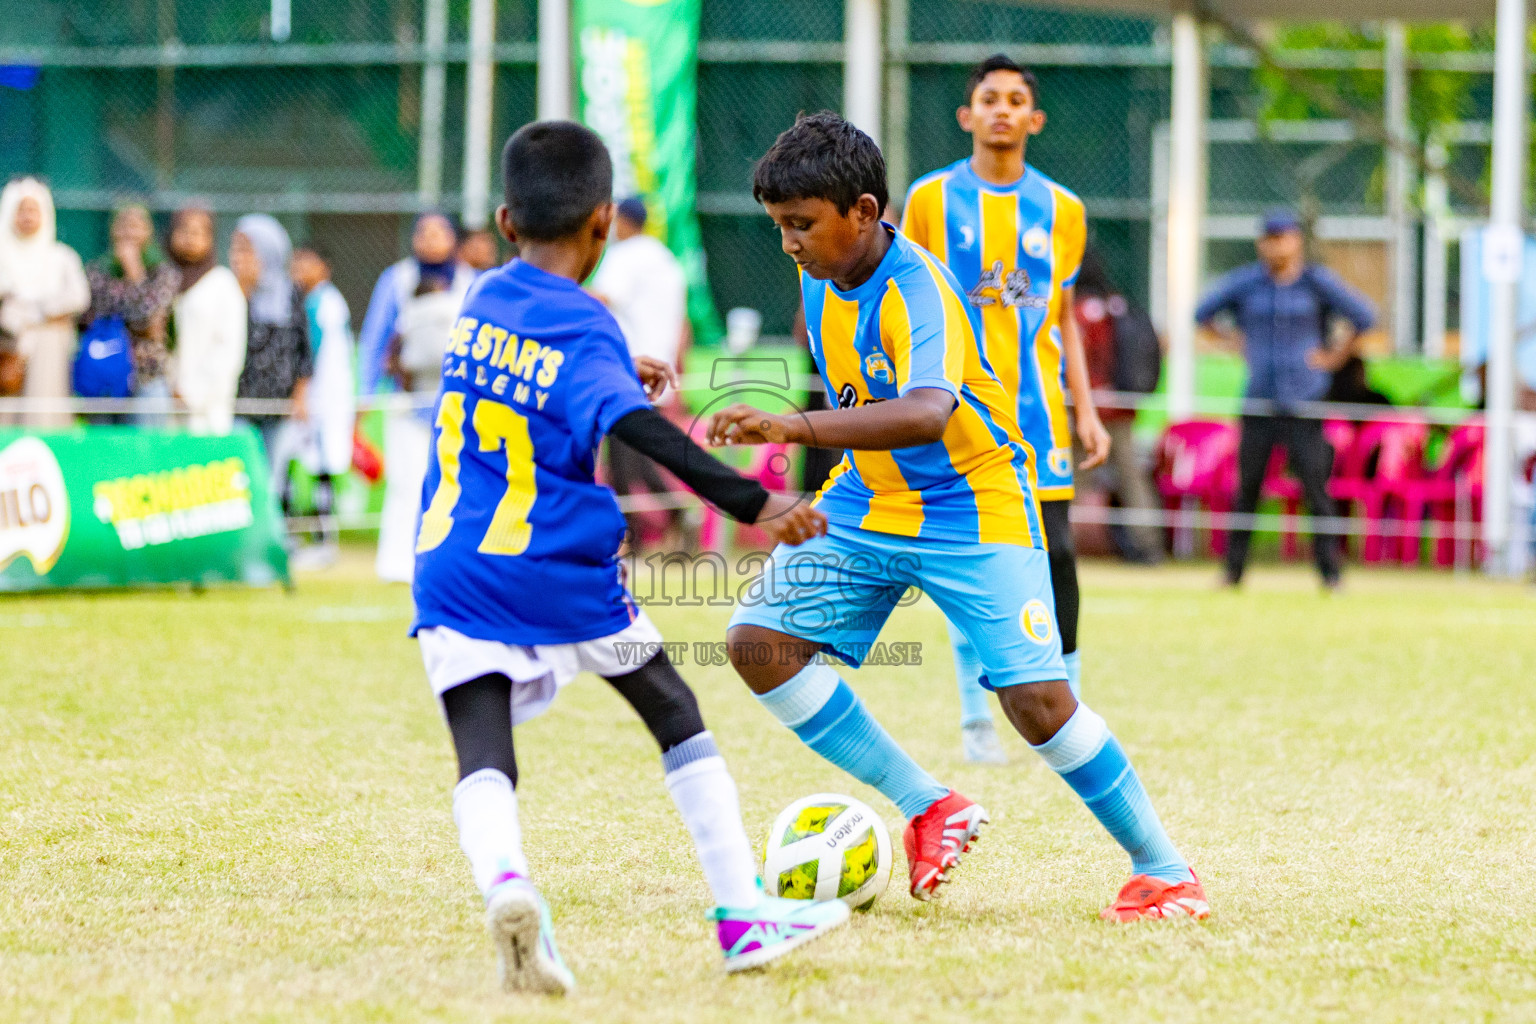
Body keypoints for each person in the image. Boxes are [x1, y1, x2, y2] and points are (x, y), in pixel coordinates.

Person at [707, 111, 1207, 921]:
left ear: (864, 213)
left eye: (801, 226)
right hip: (868, 499)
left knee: (1037, 704)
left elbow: (926, 412)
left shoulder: (920, 287)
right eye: (780, 227)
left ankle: (1166, 869)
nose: (789, 244)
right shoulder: (817, 272)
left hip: (972, 503)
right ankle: (929, 805)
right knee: (759, 642)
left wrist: (790, 425)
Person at [409, 120, 847, 994]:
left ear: (503, 220)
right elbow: (633, 425)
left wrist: (615, 361)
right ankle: (741, 914)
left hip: (451, 565)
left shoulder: (484, 298)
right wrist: (758, 500)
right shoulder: (586, 324)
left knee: (481, 746)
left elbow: (541, 375)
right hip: (558, 569)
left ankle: (508, 885)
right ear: (605, 222)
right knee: (673, 709)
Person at [900, 54, 1111, 762]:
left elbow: (1065, 317)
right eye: (989, 98)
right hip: (960, 413)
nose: (1001, 109)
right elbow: (908, 299)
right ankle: (975, 720)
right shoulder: (928, 200)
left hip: (1039, 413)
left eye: (1016, 99)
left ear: (1034, 118)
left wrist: (1086, 410)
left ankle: (1067, 706)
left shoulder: (1064, 210)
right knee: (971, 558)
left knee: (1057, 556)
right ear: (967, 115)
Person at [1196, 208, 1376, 590]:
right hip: (1260, 398)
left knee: (1315, 487)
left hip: (1304, 401)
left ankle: (1330, 573)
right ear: (1262, 242)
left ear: (1296, 241)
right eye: (1271, 237)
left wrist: (1332, 357)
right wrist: (1234, 342)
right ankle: (1233, 572)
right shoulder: (1248, 284)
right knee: (1247, 487)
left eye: (1285, 237)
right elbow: (1203, 313)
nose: (1277, 245)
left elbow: (1364, 317)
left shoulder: (1315, 283)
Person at [358, 212, 476, 583]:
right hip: (407, 401)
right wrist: (363, 396)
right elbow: (375, 338)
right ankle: (397, 564)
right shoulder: (396, 280)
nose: (431, 239)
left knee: (456, 484)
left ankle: (451, 563)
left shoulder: (472, 282)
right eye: (423, 232)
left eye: (440, 232)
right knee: (407, 482)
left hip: (459, 404)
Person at [588, 196, 691, 546]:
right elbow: (683, 322)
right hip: (657, 369)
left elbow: (603, 298)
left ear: (622, 222)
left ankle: (637, 529)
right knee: (637, 452)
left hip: (626, 367)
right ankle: (666, 520)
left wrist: (560, 299)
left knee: (622, 456)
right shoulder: (667, 260)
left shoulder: (625, 256)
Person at [1074, 248, 1164, 563]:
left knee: (1072, 477)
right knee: (1131, 477)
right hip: (1121, 407)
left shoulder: (1083, 311)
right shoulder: (1117, 304)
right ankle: (1150, 545)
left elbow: (1088, 361)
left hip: (1088, 407)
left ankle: (1053, 541)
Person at [231, 214, 312, 517]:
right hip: (239, 404)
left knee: (272, 481)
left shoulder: (290, 293)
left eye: (248, 249)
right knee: (241, 478)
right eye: (237, 249)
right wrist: (242, 289)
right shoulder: (229, 290)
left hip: (278, 405)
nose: (241, 257)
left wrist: (300, 397)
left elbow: (303, 351)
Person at [0, 177, 89, 428]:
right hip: (6, 350)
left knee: (43, 418)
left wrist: (36, 312)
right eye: (21, 210)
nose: (27, 217)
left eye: (33, 210)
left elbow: (78, 297)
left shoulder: (61, 257)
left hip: (49, 351)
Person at [82, 202, 180, 425]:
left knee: (148, 452)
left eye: (137, 226)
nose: (129, 233)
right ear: (112, 230)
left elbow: (145, 313)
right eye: (123, 225)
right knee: (105, 453)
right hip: (103, 377)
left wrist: (133, 270)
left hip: (147, 375)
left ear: (149, 231)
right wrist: (144, 324)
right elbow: (98, 315)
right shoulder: (98, 270)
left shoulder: (163, 272)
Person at [290, 242, 356, 566]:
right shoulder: (319, 301)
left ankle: (322, 540)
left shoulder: (322, 303)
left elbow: (312, 350)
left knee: (322, 465)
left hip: (324, 397)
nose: (299, 270)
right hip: (326, 395)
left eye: (306, 263)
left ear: (323, 268)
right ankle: (308, 536)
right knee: (314, 464)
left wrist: (302, 392)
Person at [167, 203, 247, 435]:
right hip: (163, 407)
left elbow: (229, 350)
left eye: (198, 232)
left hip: (206, 414)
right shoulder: (163, 281)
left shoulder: (222, 284)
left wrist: (190, 392)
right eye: (183, 230)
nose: (190, 238)